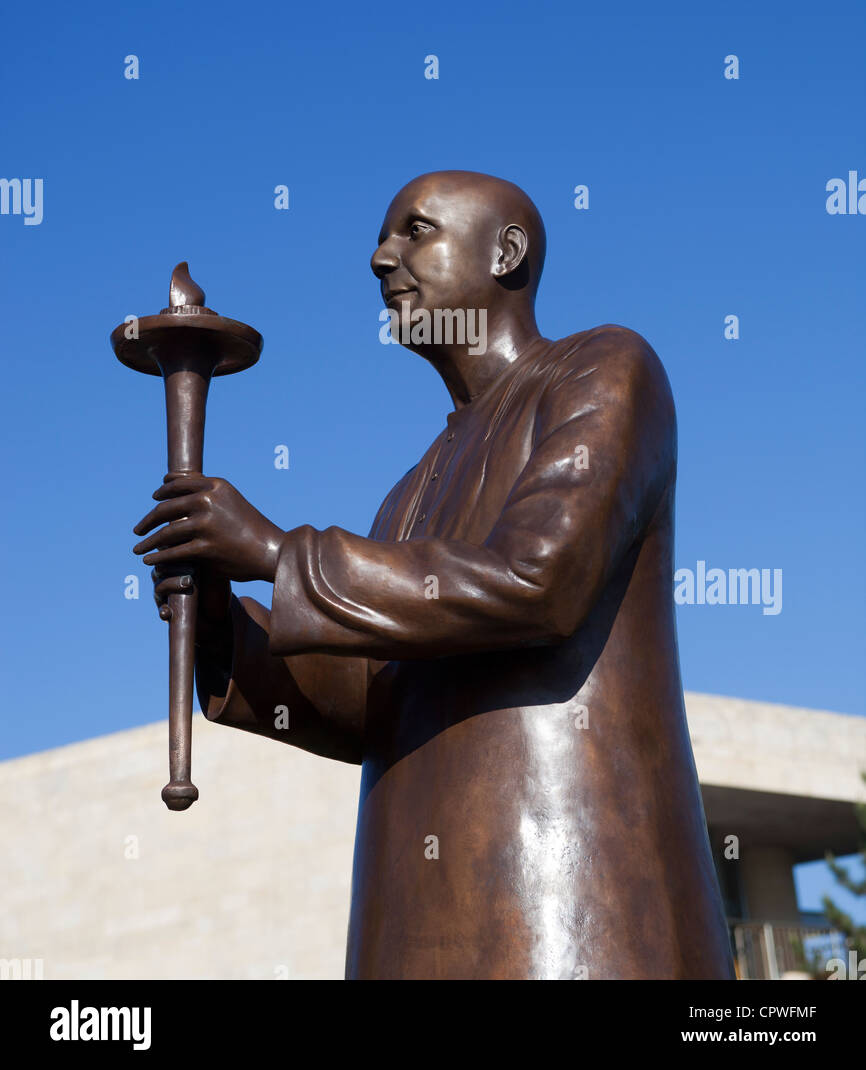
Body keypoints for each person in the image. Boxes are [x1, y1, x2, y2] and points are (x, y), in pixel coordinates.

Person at [133, 170, 734, 981]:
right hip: (407, 927)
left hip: (572, 915)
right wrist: (218, 617)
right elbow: (370, 702)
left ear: (507, 252)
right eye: (385, 238)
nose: (382, 259)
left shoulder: (604, 369)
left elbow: (535, 581)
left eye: (415, 231)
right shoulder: (405, 497)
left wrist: (280, 555)